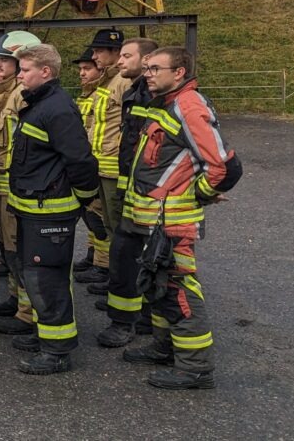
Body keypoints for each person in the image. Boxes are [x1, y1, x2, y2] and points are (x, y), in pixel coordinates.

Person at [117, 47, 239, 390]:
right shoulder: (166, 103)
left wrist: (196, 192)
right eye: (147, 68)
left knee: (179, 289)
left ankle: (195, 367)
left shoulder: (188, 105)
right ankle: (164, 346)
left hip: (172, 220)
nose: (148, 74)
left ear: (180, 72)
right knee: (159, 286)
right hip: (156, 219)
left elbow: (222, 165)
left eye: (155, 68)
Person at [7, 43, 99, 375]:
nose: (19, 75)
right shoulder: (40, 104)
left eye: (25, 69)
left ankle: (57, 350)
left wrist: (86, 198)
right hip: (34, 209)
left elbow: (81, 160)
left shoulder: (57, 109)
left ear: (45, 72)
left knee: (48, 279)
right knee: (35, 275)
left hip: (51, 212)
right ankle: (45, 334)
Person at [96, 37, 158, 335]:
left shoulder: (160, 99)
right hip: (131, 189)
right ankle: (128, 319)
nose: (120, 61)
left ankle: (133, 322)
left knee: (140, 256)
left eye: (126, 56)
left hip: (151, 195)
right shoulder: (136, 93)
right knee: (124, 252)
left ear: (146, 61)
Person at [0, 31, 43, 335]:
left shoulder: (21, 96)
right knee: (9, 245)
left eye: (5, 63)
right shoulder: (7, 95)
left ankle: (26, 311)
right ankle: (15, 297)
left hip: (15, 187)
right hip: (3, 185)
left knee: (19, 247)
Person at [76, 30, 133, 294]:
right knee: (105, 223)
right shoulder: (106, 83)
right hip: (100, 164)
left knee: (116, 226)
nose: (95, 55)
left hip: (113, 167)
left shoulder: (122, 82)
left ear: (115, 52)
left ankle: (118, 276)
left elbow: (128, 126)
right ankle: (112, 273)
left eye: (99, 51)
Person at [72, 48, 110, 286]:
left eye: (87, 69)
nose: (82, 74)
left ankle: (103, 266)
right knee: (90, 214)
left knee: (98, 218)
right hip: (90, 162)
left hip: (100, 164)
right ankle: (92, 255)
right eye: (80, 70)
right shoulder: (88, 95)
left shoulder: (101, 95)